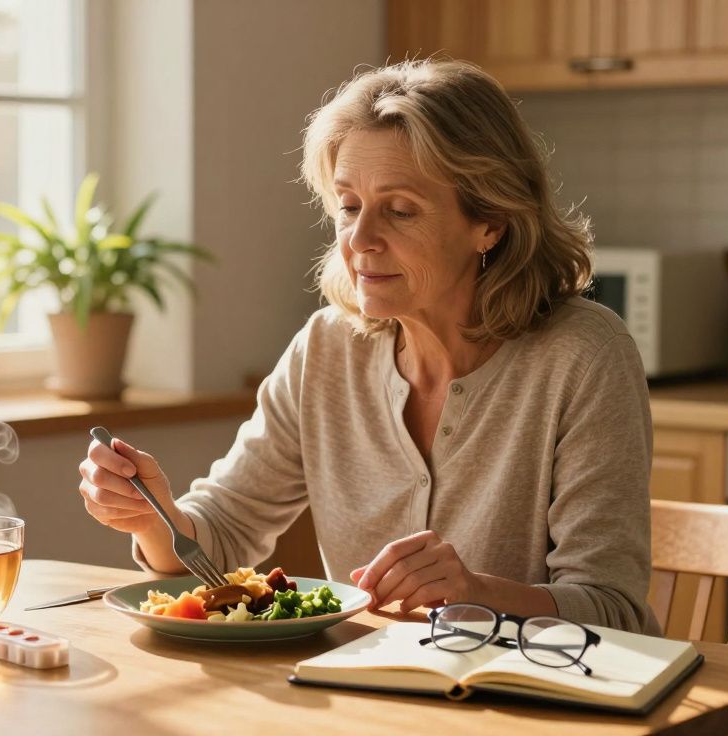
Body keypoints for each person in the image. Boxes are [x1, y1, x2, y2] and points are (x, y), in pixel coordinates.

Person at [77, 59, 658, 634]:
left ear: (490, 223)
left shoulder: (584, 356)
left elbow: (614, 611)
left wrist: (476, 594)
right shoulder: (327, 349)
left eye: (400, 211)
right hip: (362, 685)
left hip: (525, 689)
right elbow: (225, 531)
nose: (359, 239)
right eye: (349, 206)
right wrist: (153, 517)